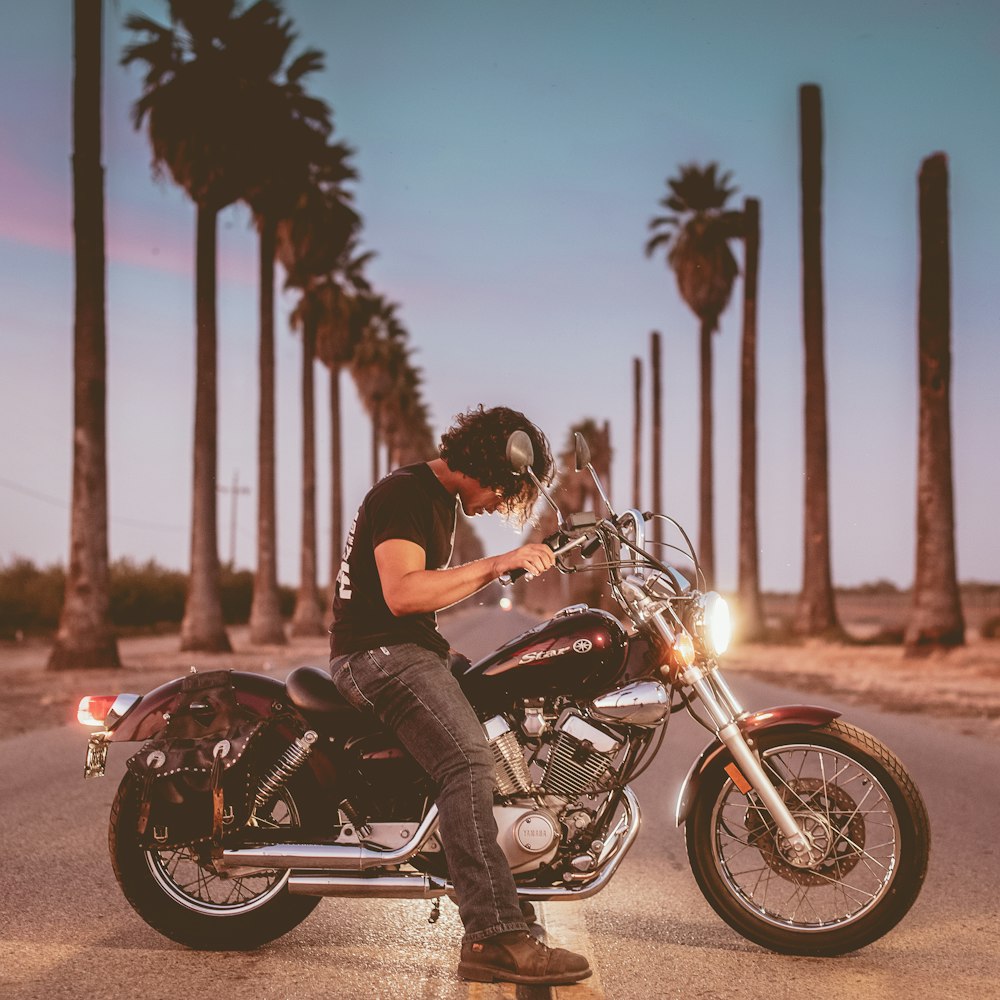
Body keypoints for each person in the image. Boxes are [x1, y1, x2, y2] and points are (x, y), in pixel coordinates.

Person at [329, 405, 592, 986]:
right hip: (377, 655)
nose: (502, 502)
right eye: (504, 488)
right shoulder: (404, 493)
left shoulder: (434, 500)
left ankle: (501, 873)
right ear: (483, 464)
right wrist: (499, 563)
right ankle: (493, 935)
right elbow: (402, 595)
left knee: (503, 718)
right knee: (466, 761)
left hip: (408, 649)